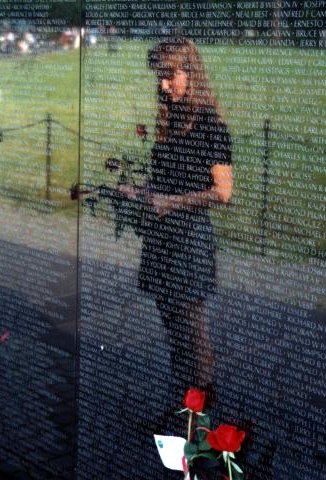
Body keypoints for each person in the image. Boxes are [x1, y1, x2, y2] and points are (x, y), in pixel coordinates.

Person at [122, 37, 233, 404]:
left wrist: (171, 202)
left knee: (190, 329)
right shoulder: (170, 121)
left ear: (191, 73)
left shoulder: (209, 124)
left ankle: (198, 420)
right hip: (161, 236)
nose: (163, 85)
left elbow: (222, 192)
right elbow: (166, 177)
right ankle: (181, 407)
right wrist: (141, 192)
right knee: (173, 327)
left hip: (188, 240)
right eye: (159, 77)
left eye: (170, 76)